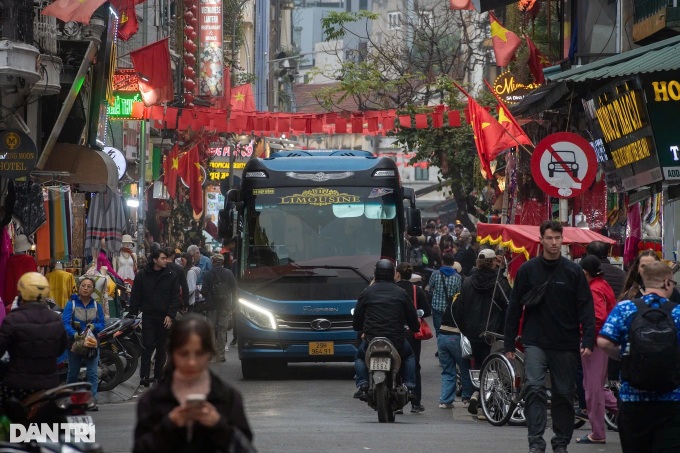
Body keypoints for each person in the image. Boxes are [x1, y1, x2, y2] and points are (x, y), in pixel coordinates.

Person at [504, 220, 596, 453]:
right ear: (541, 239)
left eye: (557, 238)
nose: (554, 243)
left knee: (564, 394)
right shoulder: (528, 270)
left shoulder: (573, 271)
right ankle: (536, 441)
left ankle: (561, 442)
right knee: (534, 388)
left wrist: (588, 340)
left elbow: (586, 307)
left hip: (565, 342)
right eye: (549, 238)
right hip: (535, 341)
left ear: (562, 240)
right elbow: (514, 307)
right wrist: (509, 343)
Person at [133, 314, 253, 452]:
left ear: (209, 353)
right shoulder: (152, 401)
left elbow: (245, 447)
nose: (192, 362)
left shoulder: (227, 397)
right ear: (173, 353)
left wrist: (218, 425)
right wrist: (170, 423)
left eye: (199, 353)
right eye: (184, 354)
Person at [598, 261, 680, 452]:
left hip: (632, 399)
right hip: (672, 399)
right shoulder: (677, 312)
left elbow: (603, 341)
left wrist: (626, 356)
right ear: (667, 283)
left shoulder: (626, 309)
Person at [352, 259, 420, 400]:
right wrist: (414, 328)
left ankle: (363, 384)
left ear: (376, 273)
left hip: (372, 340)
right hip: (396, 341)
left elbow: (358, 316)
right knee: (409, 356)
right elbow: (412, 316)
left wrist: (359, 328)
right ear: (393, 273)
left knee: (359, 356)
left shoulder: (367, 292)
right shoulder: (401, 292)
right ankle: (410, 387)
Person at [455, 248, 511, 418]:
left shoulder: (467, 282)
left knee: (479, 364)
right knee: (496, 367)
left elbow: (458, 309)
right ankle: (483, 401)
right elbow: (510, 307)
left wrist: (465, 329)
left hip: (473, 333)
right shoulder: (500, 283)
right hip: (494, 333)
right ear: (494, 261)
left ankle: (477, 395)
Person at [0, 273, 68, 407]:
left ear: (22, 293)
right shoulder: (56, 319)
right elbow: (61, 349)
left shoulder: (12, 319)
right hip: (51, 385)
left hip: (19, 386)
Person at [574, 255, 618, 445]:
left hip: (595, 342)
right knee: (598, 387)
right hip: (603, 340)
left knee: (592, 388)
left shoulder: (593, 290)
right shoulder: (603, 285)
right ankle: (632, 414)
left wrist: (588, 339)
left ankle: (597, 433)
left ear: (584, 273)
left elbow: (597, 317)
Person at [128, 249, 181, 387]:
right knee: (147, 346)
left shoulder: (171, 275)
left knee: (161, 347)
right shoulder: (142, 275)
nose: (166, 261)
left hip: (164, 317)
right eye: (163, 258)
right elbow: (135, 296)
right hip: (149, 316)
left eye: (166, 258)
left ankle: (158, 376)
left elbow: (175, 298)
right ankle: (144, 376)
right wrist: (132, 315)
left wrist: (170, 315)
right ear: (155, 260)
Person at [62, 277, 106, 408]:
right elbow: (65, 322)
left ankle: (91, 401)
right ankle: (71, 400)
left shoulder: (97, 306)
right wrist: (73, 334)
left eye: (89, 286)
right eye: (83, 285)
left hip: (91, 344)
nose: (86, 288)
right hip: (74, 344)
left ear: (93, 290)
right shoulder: (72, 304)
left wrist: (94, 327)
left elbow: (101, 324)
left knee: (92, 373)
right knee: (73, 373)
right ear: (79, 287)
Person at [395, 262, 431, 414]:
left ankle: (397, 403)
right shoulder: (417, 290)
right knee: (414, 366)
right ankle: (415, 403)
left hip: (395, 331)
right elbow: (427, 311)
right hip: (412, 333)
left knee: (396, 365)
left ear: (397, 274)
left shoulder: (393, 290)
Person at [201, 254, 237, 362]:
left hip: (211, 306)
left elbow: (204, 291)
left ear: (213, 262)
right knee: (222, 330)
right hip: (225, 305)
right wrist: (233, 305)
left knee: (210, 329)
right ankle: (221, 355)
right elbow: (234, 289)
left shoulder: (208, 274)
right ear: (222, 262)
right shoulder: (229, 273)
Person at [427, 253, 462, 336]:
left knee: (438, 330)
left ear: (442, 262)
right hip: (450, 308)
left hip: (437, 306)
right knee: (449, 330)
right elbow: (458, 293)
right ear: (453, 263)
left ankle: (440, 346)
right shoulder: (457, 277)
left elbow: (430, 286)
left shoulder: (435, 274)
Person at [165, 248, 190, 312]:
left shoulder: (160, 267)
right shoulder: (179, 269)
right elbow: (185, 287)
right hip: (175, 301)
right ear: (173, 256)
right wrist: (186, 303)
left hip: (162, 301)